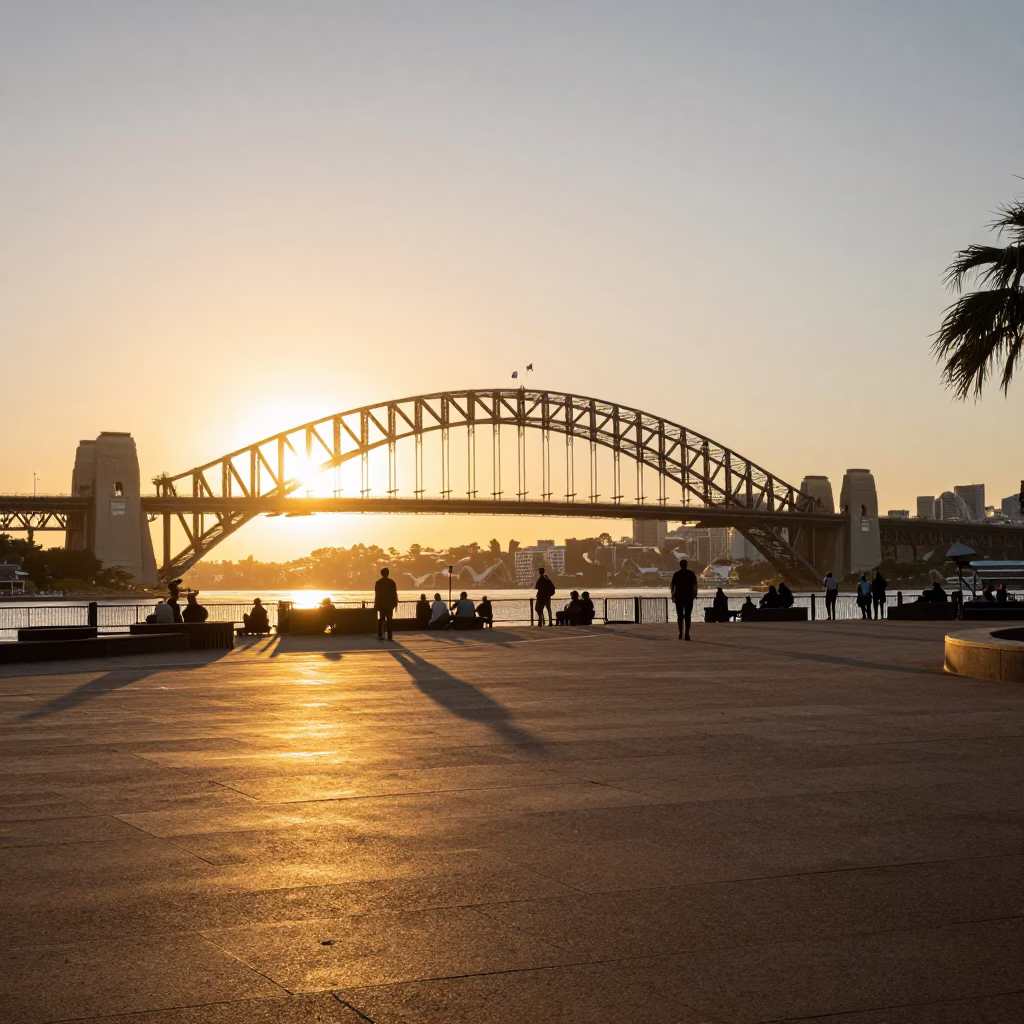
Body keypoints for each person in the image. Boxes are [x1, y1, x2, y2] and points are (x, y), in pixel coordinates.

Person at [670, 558, 698, 640]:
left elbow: (672, 586)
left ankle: (680, 633)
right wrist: (694, 595)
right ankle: (687, 634)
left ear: (680, 565)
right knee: (688, 616)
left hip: (679, 597)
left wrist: (673, 595)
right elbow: (695, 586)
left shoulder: (676, 574)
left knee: (680, 616)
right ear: (687, 565)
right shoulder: (691, 574)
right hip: (688, 597)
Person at [374, 567, 398, 641]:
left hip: (381, 605)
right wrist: (395, 603)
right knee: (389, 620)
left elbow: (377, 595)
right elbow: (395, 594)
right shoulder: (392, 582)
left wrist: (376, 604)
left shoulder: (378, 583)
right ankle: (390, 635)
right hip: (389, 605)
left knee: (381, 620)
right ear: (388, 573)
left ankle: (380, 635)